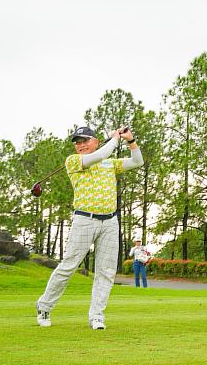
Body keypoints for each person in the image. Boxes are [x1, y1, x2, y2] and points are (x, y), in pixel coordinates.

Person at [36, 126, 143, 330]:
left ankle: (97, 316)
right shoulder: (74, 161)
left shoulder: (110, 164)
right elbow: (102, 153)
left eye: (85, 140)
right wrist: (114, 139)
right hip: (85, 219)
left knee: (106, 271)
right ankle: (44, 306)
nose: (80, 145)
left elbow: (138, 161)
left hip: (110, 222)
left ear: (95, 141)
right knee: (69, 265)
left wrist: (130, 140)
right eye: (77, 142)